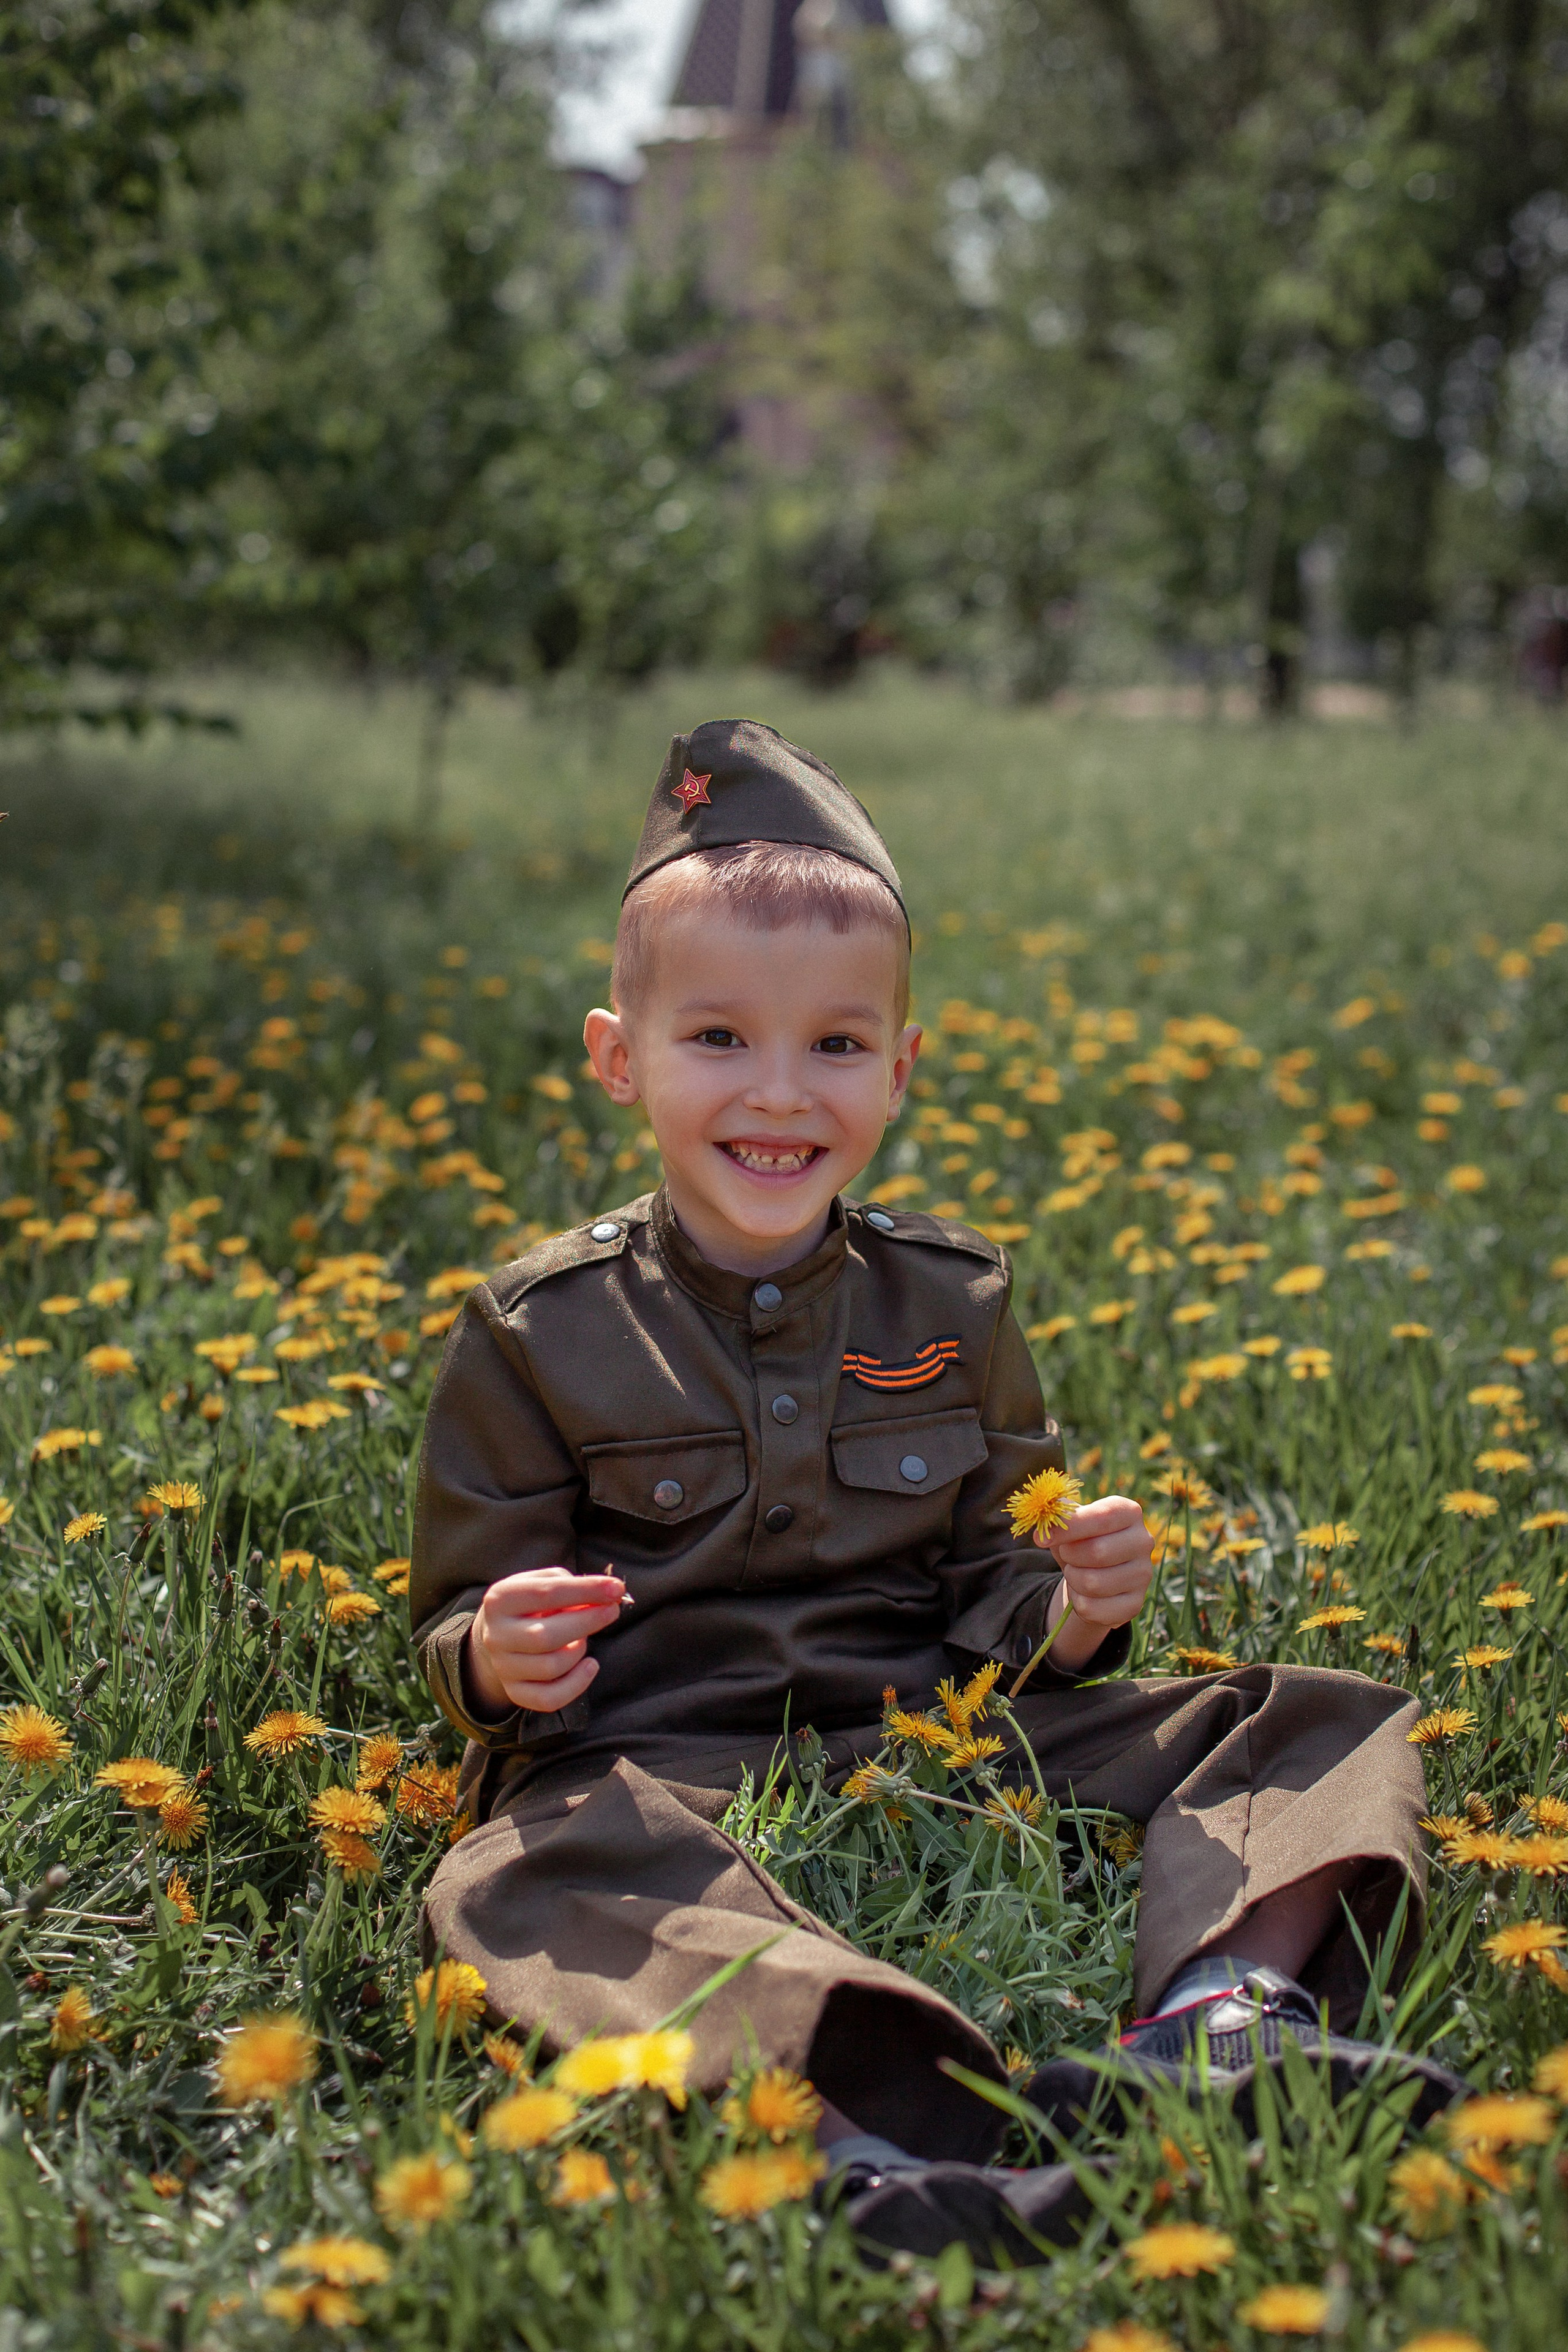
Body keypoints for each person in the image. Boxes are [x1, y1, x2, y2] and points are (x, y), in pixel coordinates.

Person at [410, 718, 1457, 2265]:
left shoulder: (950, 1303)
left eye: (835, 1045)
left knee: (1307, 1715)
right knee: (511, 1870)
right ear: (619, 1058)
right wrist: (495, 1655)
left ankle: (1226, 2022)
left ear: (897, 1069)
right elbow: (455, 1622)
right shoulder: (537, 1330)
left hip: (933, 1723)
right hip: (647, 1757)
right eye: (718, 1040)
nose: (780, 1095)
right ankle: (874, 2134)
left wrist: (1075, 1613)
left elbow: (995, 1591)